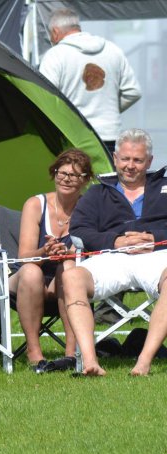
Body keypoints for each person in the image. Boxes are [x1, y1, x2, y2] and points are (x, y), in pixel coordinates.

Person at [64, 128, 167, 376]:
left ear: (149, 161)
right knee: (71, 277)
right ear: (115, 158)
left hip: (158, 256)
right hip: (111, 257)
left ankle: (144, 360)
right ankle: (90, 361)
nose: (130, 166)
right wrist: (115, 241)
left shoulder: (164, 187)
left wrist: (156, 238)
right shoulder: (97, 193)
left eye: (138, 160)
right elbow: (78, 231)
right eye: (125, 159)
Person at [9, 149, 93, 373]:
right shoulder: (36, 204)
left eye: (74, 175)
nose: (65, 178)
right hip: (28, 278)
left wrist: (66, 252)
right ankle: (34, 353)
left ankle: (72, 353)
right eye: (61, 172)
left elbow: (87, 252)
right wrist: (45, 252)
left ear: (85, 180)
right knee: (30, 271)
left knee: (69, 268)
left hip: (64, 279)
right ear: (53, 174)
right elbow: (23, 256)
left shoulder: (88, 209)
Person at [38, 7, 141, 154]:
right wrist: (108, 110)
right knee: (108, 177)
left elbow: (45, 98)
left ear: (55, 32)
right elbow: (133, 92)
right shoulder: (113, 50)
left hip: (73, 137)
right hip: (110, 135)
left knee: (76, 177)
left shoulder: (54, 55)